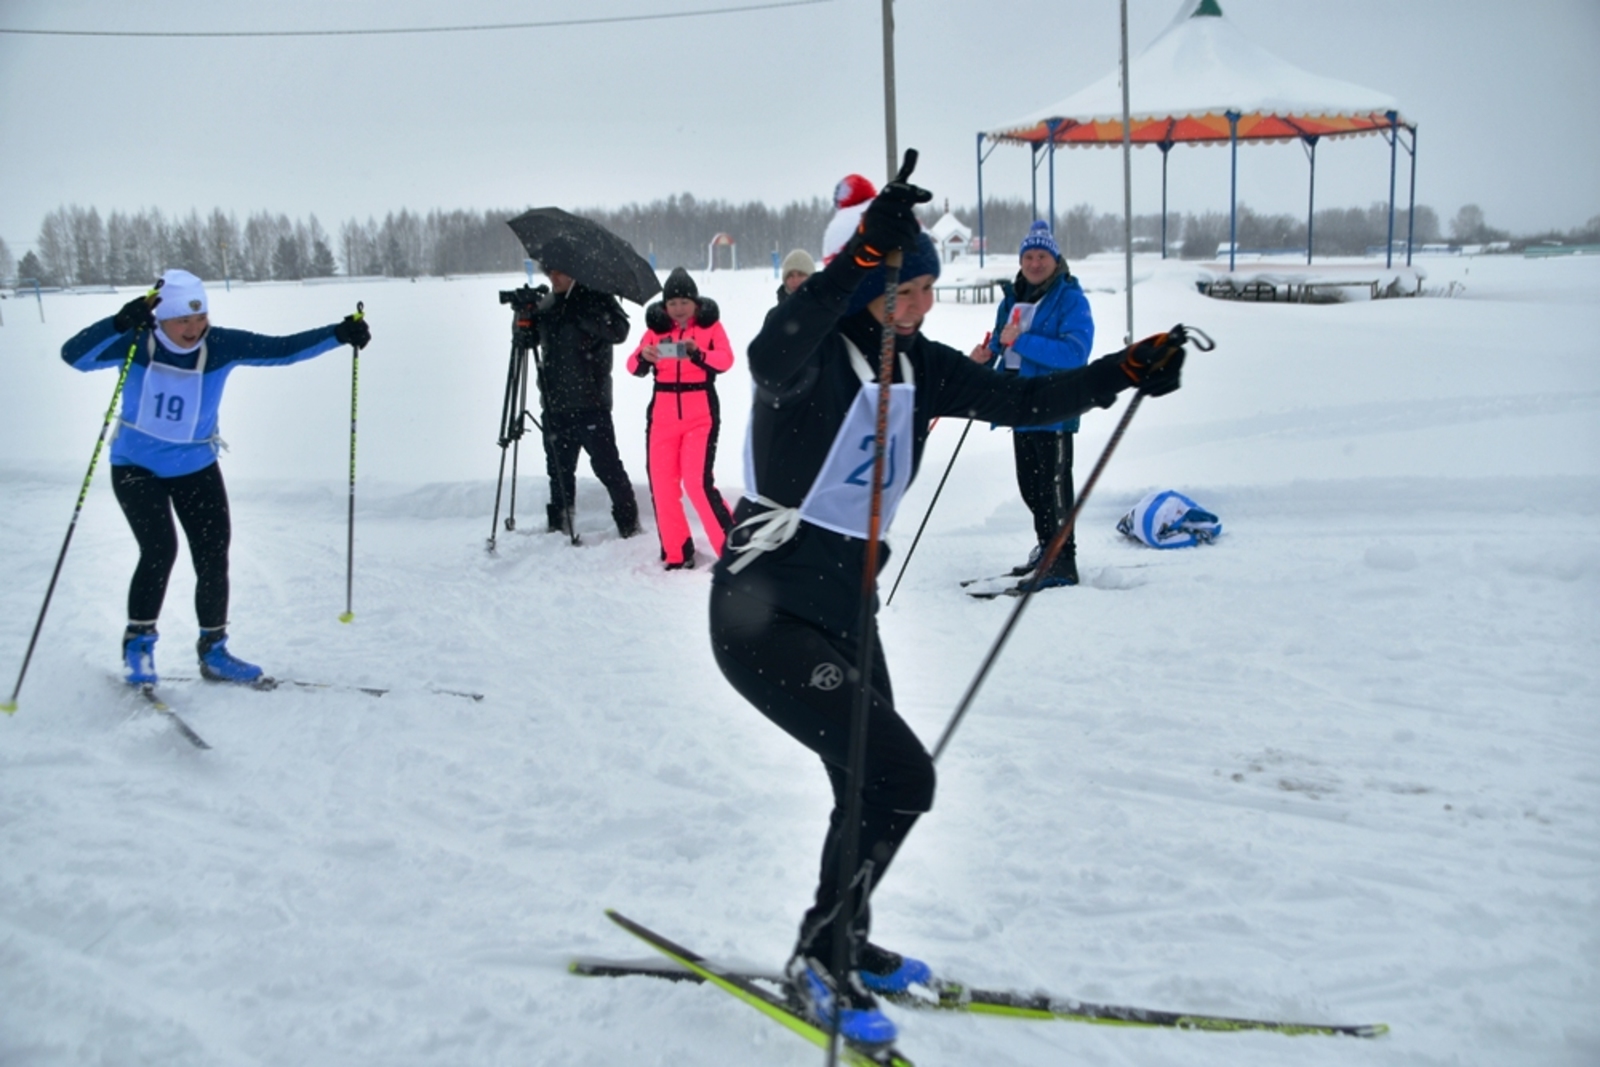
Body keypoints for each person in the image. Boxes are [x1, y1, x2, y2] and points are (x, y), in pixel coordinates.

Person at [708, 173, 1189, 1047]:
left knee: (868, 784)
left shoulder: (920, 363)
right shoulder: (811, 356)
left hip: (847, 609)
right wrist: (857, 255)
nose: (926, 303)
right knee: (901, 776)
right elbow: (770, 352)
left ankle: (843, 936)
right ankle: (817, 959)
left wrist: (1124, 370)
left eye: (930, 287)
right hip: (762, 612)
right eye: (910, 288)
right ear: (869, 287)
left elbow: (1023, 401)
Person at [60, 268, 371, 687]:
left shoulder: (220, 344)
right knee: (159, 550)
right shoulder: (135, 340)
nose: (193, 329)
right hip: (136, 467)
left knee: (212, 556)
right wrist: (117, 321)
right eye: (182, 320)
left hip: (196, 467)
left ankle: (214, 651)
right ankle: (139, 646)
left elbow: (282, 349)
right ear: (159, 319)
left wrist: (338, 333)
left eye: (200, 317)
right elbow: (73, 356)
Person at [972, 220, 1095, 588]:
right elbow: (1001, 345)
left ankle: (1063, 561)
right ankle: (1046, 550)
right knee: (1031, 486)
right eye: (1029, 256)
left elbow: (1075, 353)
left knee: (1055, 486)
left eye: (1042, 255)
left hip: (1055, 405)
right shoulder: (1013, 298)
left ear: (1055, 260)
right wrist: (983, 358)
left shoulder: (1071, 299)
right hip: (1019, 405)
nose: (1035, 262)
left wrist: (1020, 342)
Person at [626, 268, 735, 569]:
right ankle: (677, 552)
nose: (678, 308)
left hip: (700, 414)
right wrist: (644, 356)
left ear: (695, 302)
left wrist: (698, 353)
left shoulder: (711, 327)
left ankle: (733, 550)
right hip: (662, 416)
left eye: (684, 302)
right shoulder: (656, 329)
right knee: (662, 485)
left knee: (697, 483)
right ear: (665, 306)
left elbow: (726, 360)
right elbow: (631, 366)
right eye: (672, 303)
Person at [534, 267, 641, 540]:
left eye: (559, 273)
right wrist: (523, 322)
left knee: (607, 467)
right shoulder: (548, 303)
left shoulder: (598, 298)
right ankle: (559, 524)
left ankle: (629, 525)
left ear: (575, 274)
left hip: (591, 402)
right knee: (558, 470)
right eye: (549, 273)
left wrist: (582, 314)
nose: (552, 278)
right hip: (555, 403)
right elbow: (533, 340)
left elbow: (619, 331)